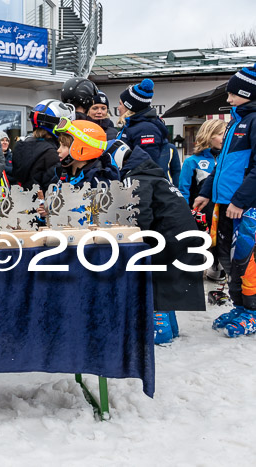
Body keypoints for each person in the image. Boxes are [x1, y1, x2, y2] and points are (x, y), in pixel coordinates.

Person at [111, 141, 205, 344]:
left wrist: (135, 241)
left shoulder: (135, 177)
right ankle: (170, 326)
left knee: (153, 280)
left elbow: (138, 213)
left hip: (170, 237)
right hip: (184, 235)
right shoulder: (153, 174)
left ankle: (159, 328)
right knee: (166, 280)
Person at [193, 63, 256, 337]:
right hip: (226, 204)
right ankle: (241, 306)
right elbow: (222, 165)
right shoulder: (236, 121)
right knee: (227, 259)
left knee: (247, 261)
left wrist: (241, 200)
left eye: (233, 94)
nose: (228, 99)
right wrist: (206, 192)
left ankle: (253, 311)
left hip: (245, 207)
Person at [177, 119, 227, 286]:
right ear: (209, 135)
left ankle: (217, 267)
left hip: (224, 212)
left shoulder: (227, 160)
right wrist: (184, 214)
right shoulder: (192, 161)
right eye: (220, 134)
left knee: (221, 244)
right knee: (198, 244)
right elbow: (183, 190)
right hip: (200, 214)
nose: (224, 137)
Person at [117, 79, 181, 184]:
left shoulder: (146, 128)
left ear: (129, 106)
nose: (118, 108)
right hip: (131, 182)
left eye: (120, 104)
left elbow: (146, 163)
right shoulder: (133, 125)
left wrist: (121, 173)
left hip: (139, 186)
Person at [12, 99, 75, 192]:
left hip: (22, 201)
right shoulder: (52, 153)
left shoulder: (20, 145)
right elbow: (52, 186)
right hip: (42, 203)